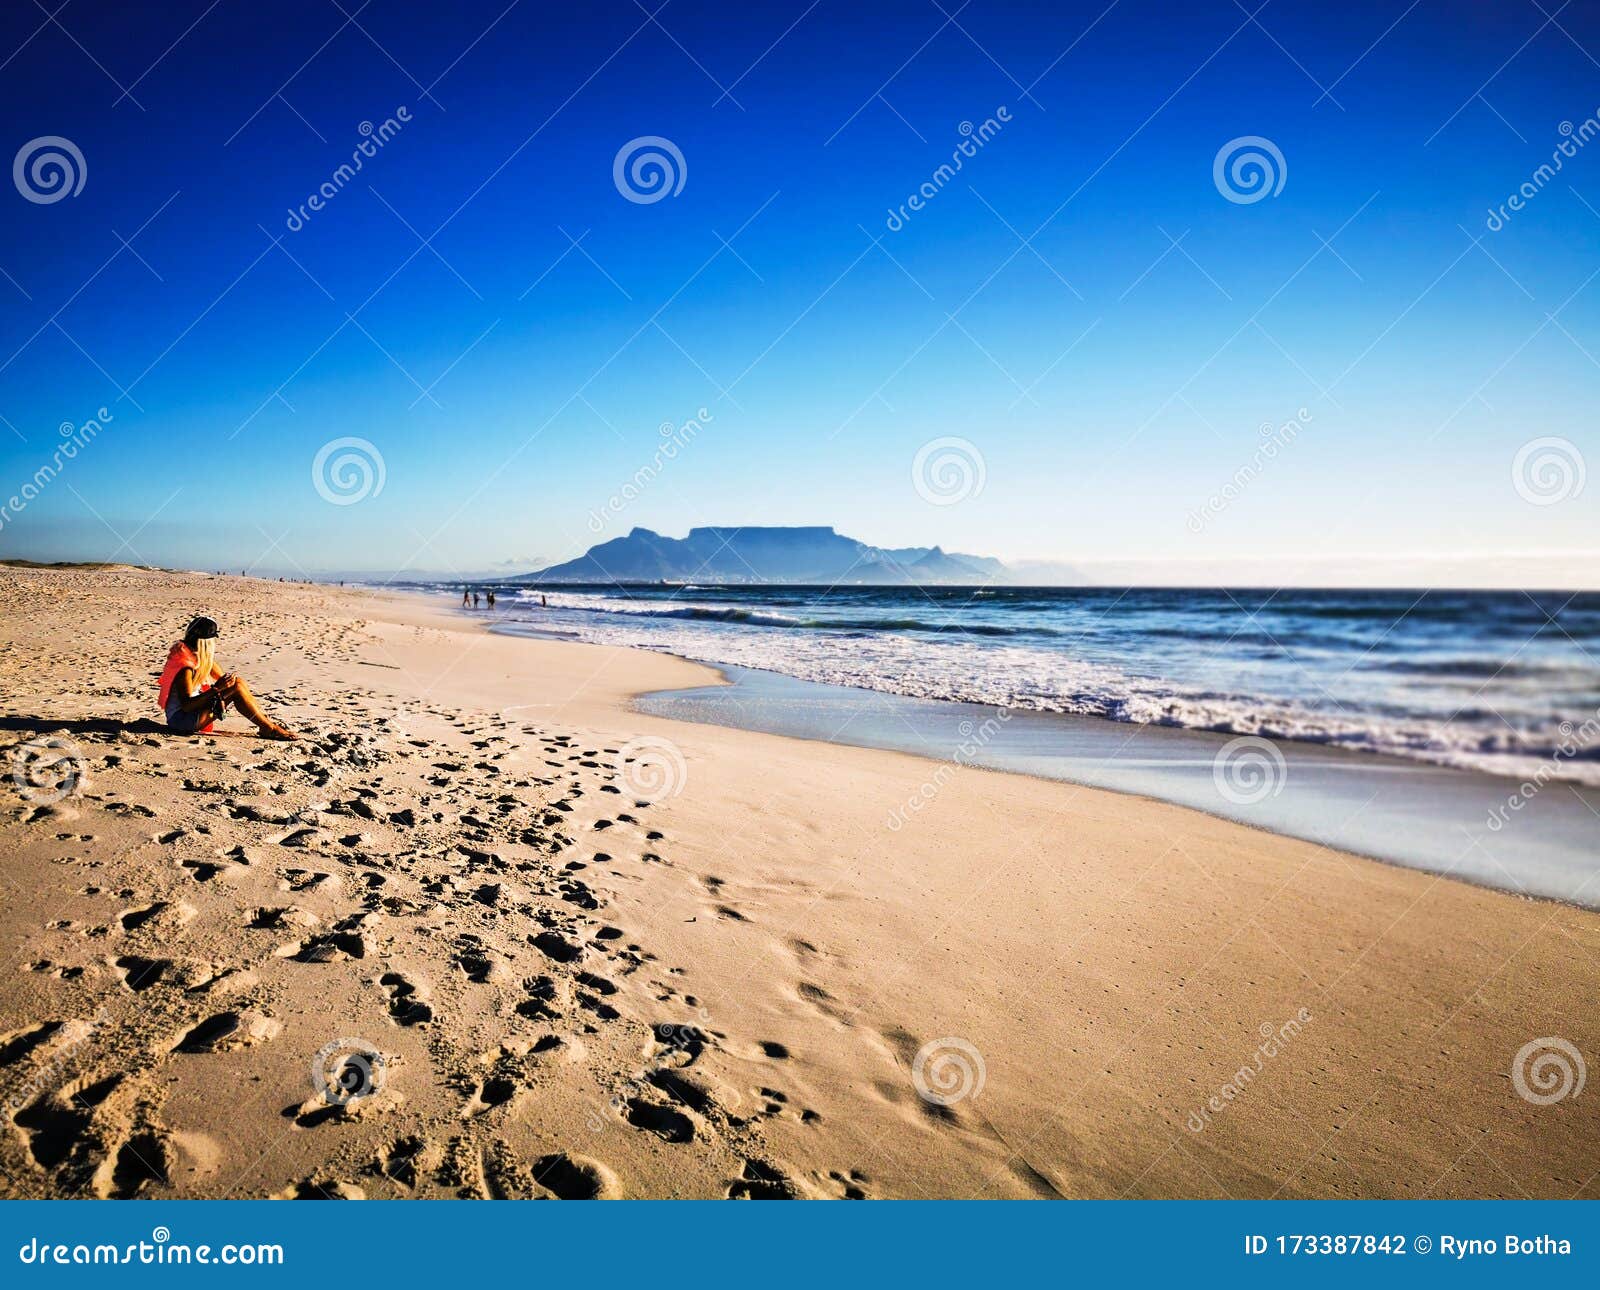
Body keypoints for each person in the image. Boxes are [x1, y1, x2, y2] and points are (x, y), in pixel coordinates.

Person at [157, 616, 297, 740]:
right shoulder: (186, 667)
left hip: (190, 713)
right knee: (236, 688)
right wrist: (217, 689)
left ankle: (265, 723)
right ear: (207, 642)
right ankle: (268, 727)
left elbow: (225, 679)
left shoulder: (196, 655)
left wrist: (224, 686)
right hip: (181, 721)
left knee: (238, 683)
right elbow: (186, 706)